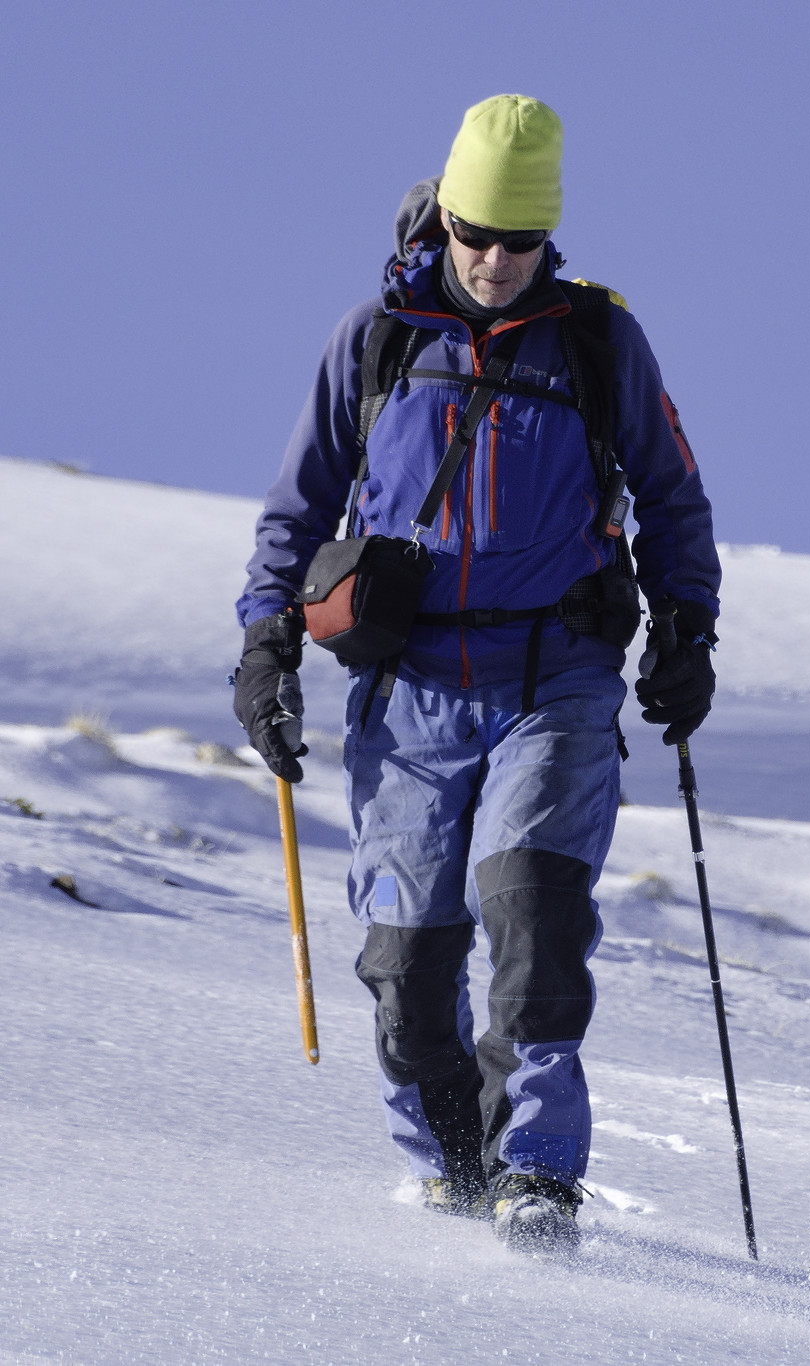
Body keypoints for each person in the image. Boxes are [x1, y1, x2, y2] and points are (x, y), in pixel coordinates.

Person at [232, 94, 721, 1253]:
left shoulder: (598, 341)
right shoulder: (376, 342)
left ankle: (537, 1175)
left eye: (521, 242)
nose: (496, 262)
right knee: (408, 973)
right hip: (408, 697)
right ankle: (454, 1175)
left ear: (549, 234)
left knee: (533, 907)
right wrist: (264, 644)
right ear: (442, 217)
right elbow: (297, 510)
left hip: (558, 672)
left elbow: (673, 493)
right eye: (476, 236)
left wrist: (686, 626)